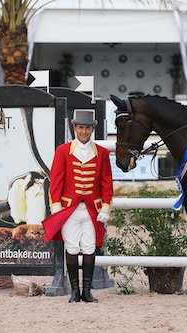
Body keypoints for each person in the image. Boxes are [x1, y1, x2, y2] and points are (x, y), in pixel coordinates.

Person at [42, 110, 113, 303]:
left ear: (93, 129)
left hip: (92, 209)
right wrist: (56, 208)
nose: (84, 131)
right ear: (74, 128)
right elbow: (55, 182)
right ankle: (74, 291)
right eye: (80, 127)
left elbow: (107, 182)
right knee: (72, 247)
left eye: (87, 127)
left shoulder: (102, 153)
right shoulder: (63, 151)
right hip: (68, 209)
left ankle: (87, 291)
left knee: (89, 247)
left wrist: (106, 207)